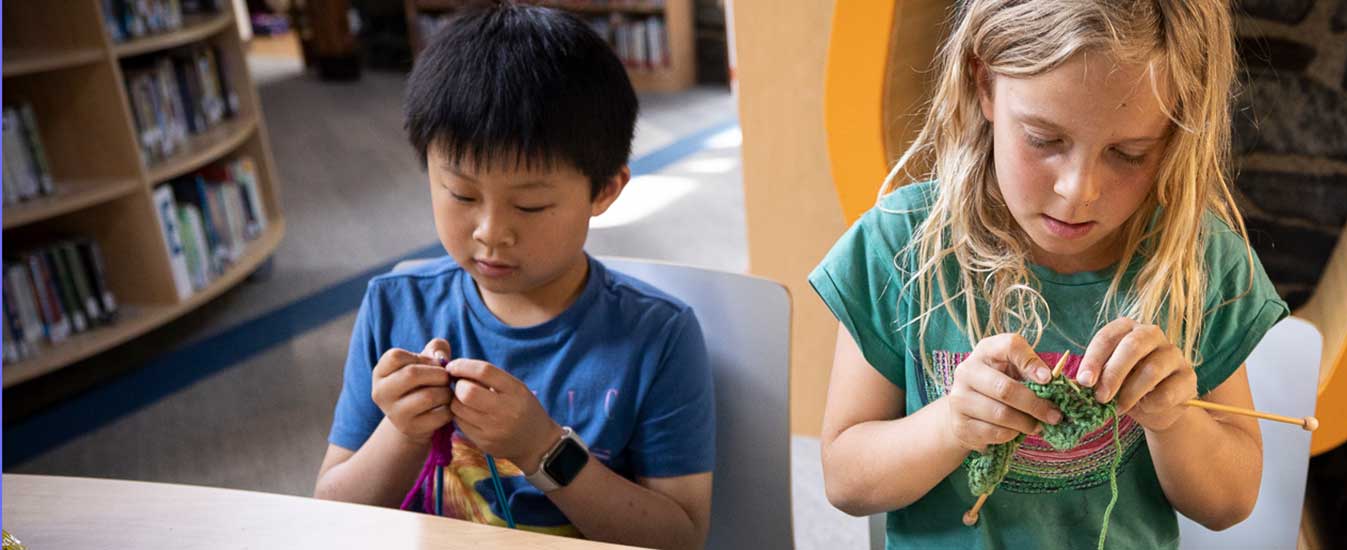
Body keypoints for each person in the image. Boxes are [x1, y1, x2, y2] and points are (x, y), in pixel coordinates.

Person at [810, 0, 1288, 548]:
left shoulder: (1199, 261)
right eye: (1044, 140)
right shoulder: (900, 246)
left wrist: (1174, 420)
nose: (1078, 191)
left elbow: (1230, 502)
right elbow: (844, 478)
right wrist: (951, 425)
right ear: (983, 83)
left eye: (1128, 154)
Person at [312, 5, 712, 549]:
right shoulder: (393, 308)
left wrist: (541, 449)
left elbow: (681, 537)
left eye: (530, 206)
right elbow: (329, 515)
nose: (490, 232)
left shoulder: (659, 336)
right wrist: (403, 432)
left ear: (605, 191)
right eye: (461, 195)